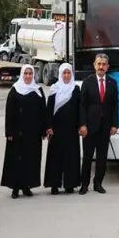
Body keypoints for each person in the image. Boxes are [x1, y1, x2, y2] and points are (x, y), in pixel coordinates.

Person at [2, 64, 46, 198]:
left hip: (33, 133)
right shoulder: (15, 90)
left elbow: (43, 111)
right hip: (17, 133)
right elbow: (9, 112)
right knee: (16, 160)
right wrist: (9, 132)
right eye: (25, 73)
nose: (28, 76)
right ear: (22, 74)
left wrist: (43, 130)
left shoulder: (38, 90)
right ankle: (15, 188)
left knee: (31, 160)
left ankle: (27, 186)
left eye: (30, 73)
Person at [78, 54, 119, 194]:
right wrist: (82, 124)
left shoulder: (112, 83)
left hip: (105, 127)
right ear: (94, 65)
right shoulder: (87, 82)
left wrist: (115, 125)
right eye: (99, 64)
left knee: (102, 158)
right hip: (89, 127)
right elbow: (82, 105)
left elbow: (115, 106)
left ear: (108, 67)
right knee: (88, 157)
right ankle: (84, 185)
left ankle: (98, 184)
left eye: (104, 64)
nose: (101, 67)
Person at [45, 63, 82, 195]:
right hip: (56, 129)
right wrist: (48, 127)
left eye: (68, 73)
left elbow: (80, 109)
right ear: (60, 74)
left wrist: (81, 125)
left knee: (71, 157)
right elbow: (49, 110)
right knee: (55, 157)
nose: (66, 76)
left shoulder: (76, 89)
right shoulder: (54, 89)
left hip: (71, 129)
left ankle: (69, 184)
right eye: (64, 73)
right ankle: (54, 184)